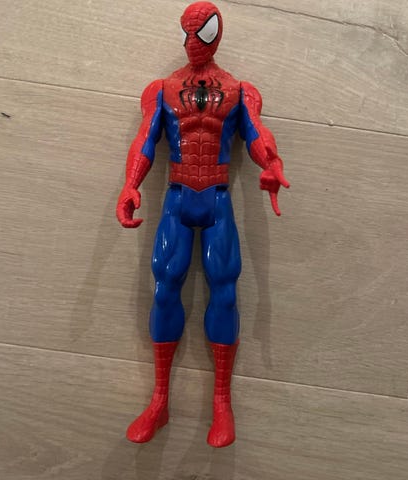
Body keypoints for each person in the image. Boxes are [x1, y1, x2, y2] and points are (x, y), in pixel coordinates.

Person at [116, 1, 289, 448]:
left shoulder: (239, 91)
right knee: (164, 287)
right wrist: (130, 184)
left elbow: (256, 133)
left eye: (203, 33)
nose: (194, 43)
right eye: (188, 33)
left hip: (216, 197)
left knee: (224, 291)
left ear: (217, 33)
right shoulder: (162, 89)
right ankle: (159, 400)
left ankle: (221, 403)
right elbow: (145, 138)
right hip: (177, 196)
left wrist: (271, 163)